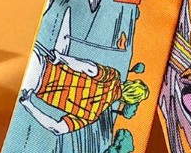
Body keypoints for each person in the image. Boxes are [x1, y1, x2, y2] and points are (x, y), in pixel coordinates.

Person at [18, 43, 149, 134]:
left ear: (129, 83)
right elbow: (57, 128)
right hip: (31, 86)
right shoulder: (92, 115)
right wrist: (28, 104)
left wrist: (61, 57)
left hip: (40, 63)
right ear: (125, 101)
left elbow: (89, 68)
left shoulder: (113, 77)